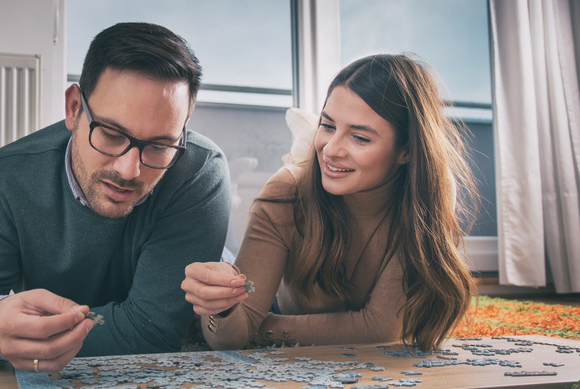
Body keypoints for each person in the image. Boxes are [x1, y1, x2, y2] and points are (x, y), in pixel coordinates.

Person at [0, 22, 232, 374]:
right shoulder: (6, 177)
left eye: (159, 146)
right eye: (112, 134)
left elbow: (153, 331)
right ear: (73, 108)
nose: (130, 171)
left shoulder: (200, 171)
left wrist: (53, 330)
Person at [182, 54, 478, 351]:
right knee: (218, 271)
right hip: (277, 300)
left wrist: (260, 329)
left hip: (273, 318)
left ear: (407, 151)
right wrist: (223, 311)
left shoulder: (425, 194)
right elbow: (231, 334)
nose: (331, 150)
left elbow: (382, 328)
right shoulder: (286, 192)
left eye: (360, 138)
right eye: (327, 126)